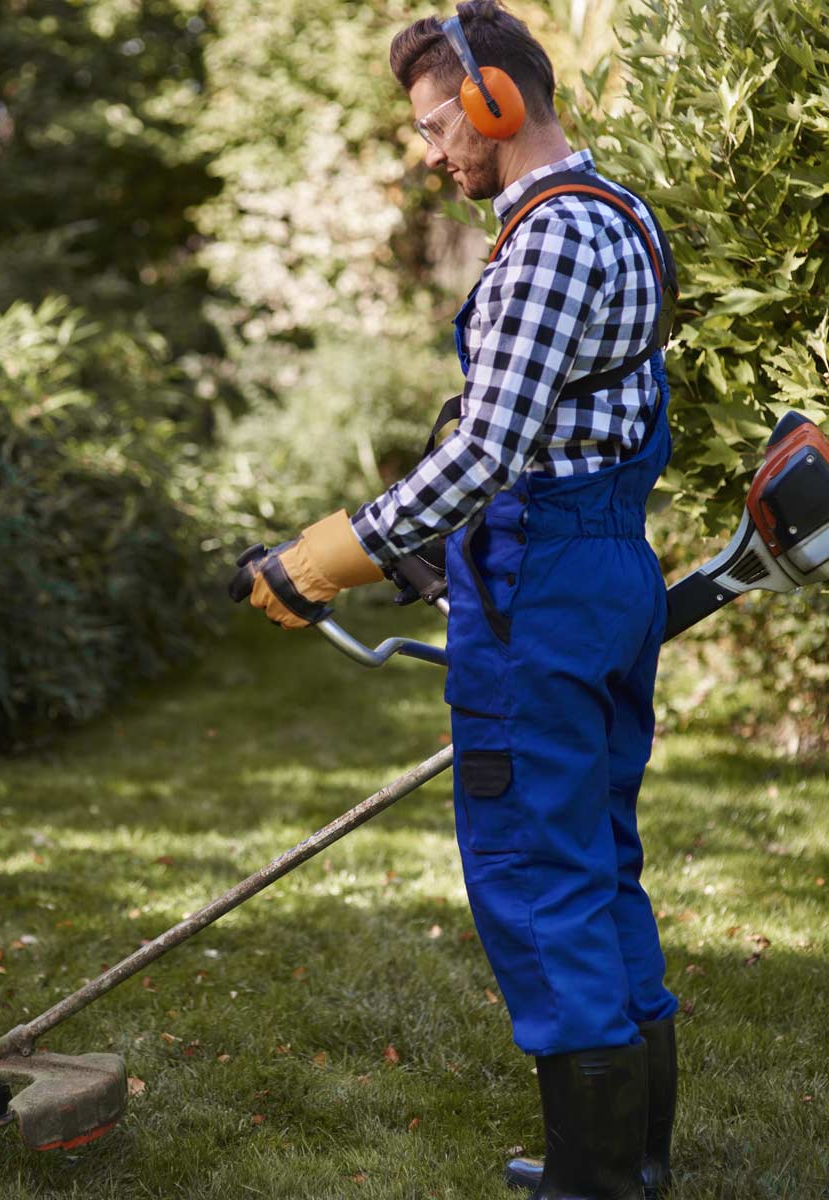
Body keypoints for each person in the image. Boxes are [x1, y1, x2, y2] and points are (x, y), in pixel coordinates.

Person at [239, 3, 679, 1196]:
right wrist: (453, 549)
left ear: (496, 103)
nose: (431, 150)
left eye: (439, 123)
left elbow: (488, 449)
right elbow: (585, 429)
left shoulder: (541, 243)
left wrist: (331, 554)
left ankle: (593, 1182)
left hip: (545, 589)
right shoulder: (621, 217)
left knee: (537, 867)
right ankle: (633, 1159)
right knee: (599, 853)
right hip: (600, 566)